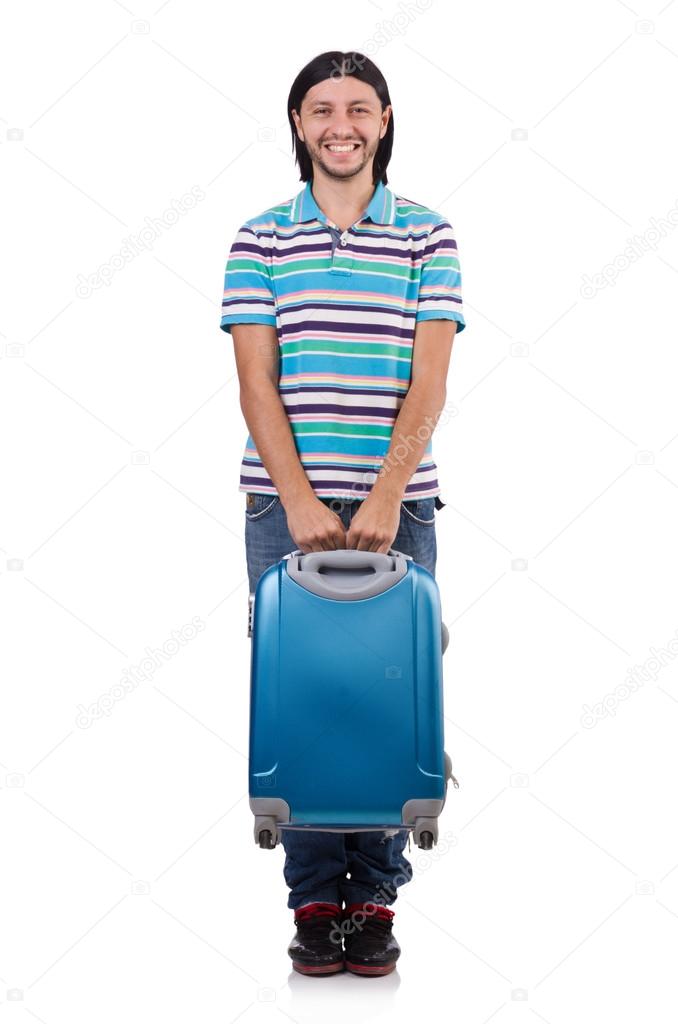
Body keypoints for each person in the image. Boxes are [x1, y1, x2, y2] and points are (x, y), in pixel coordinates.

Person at [220, 50, 466, 977]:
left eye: (358, 107)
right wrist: (299, 499)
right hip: (283, 511)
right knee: (305, 700)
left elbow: (429, 380)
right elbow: (256, 383)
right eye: (321, 108)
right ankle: (317, 898)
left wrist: (385, 493)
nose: (340, 124)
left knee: (389, 696)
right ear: (298, 125)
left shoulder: (428, 236)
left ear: (386, 120)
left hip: (399, 508)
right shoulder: (259, 239)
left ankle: (379, 897)